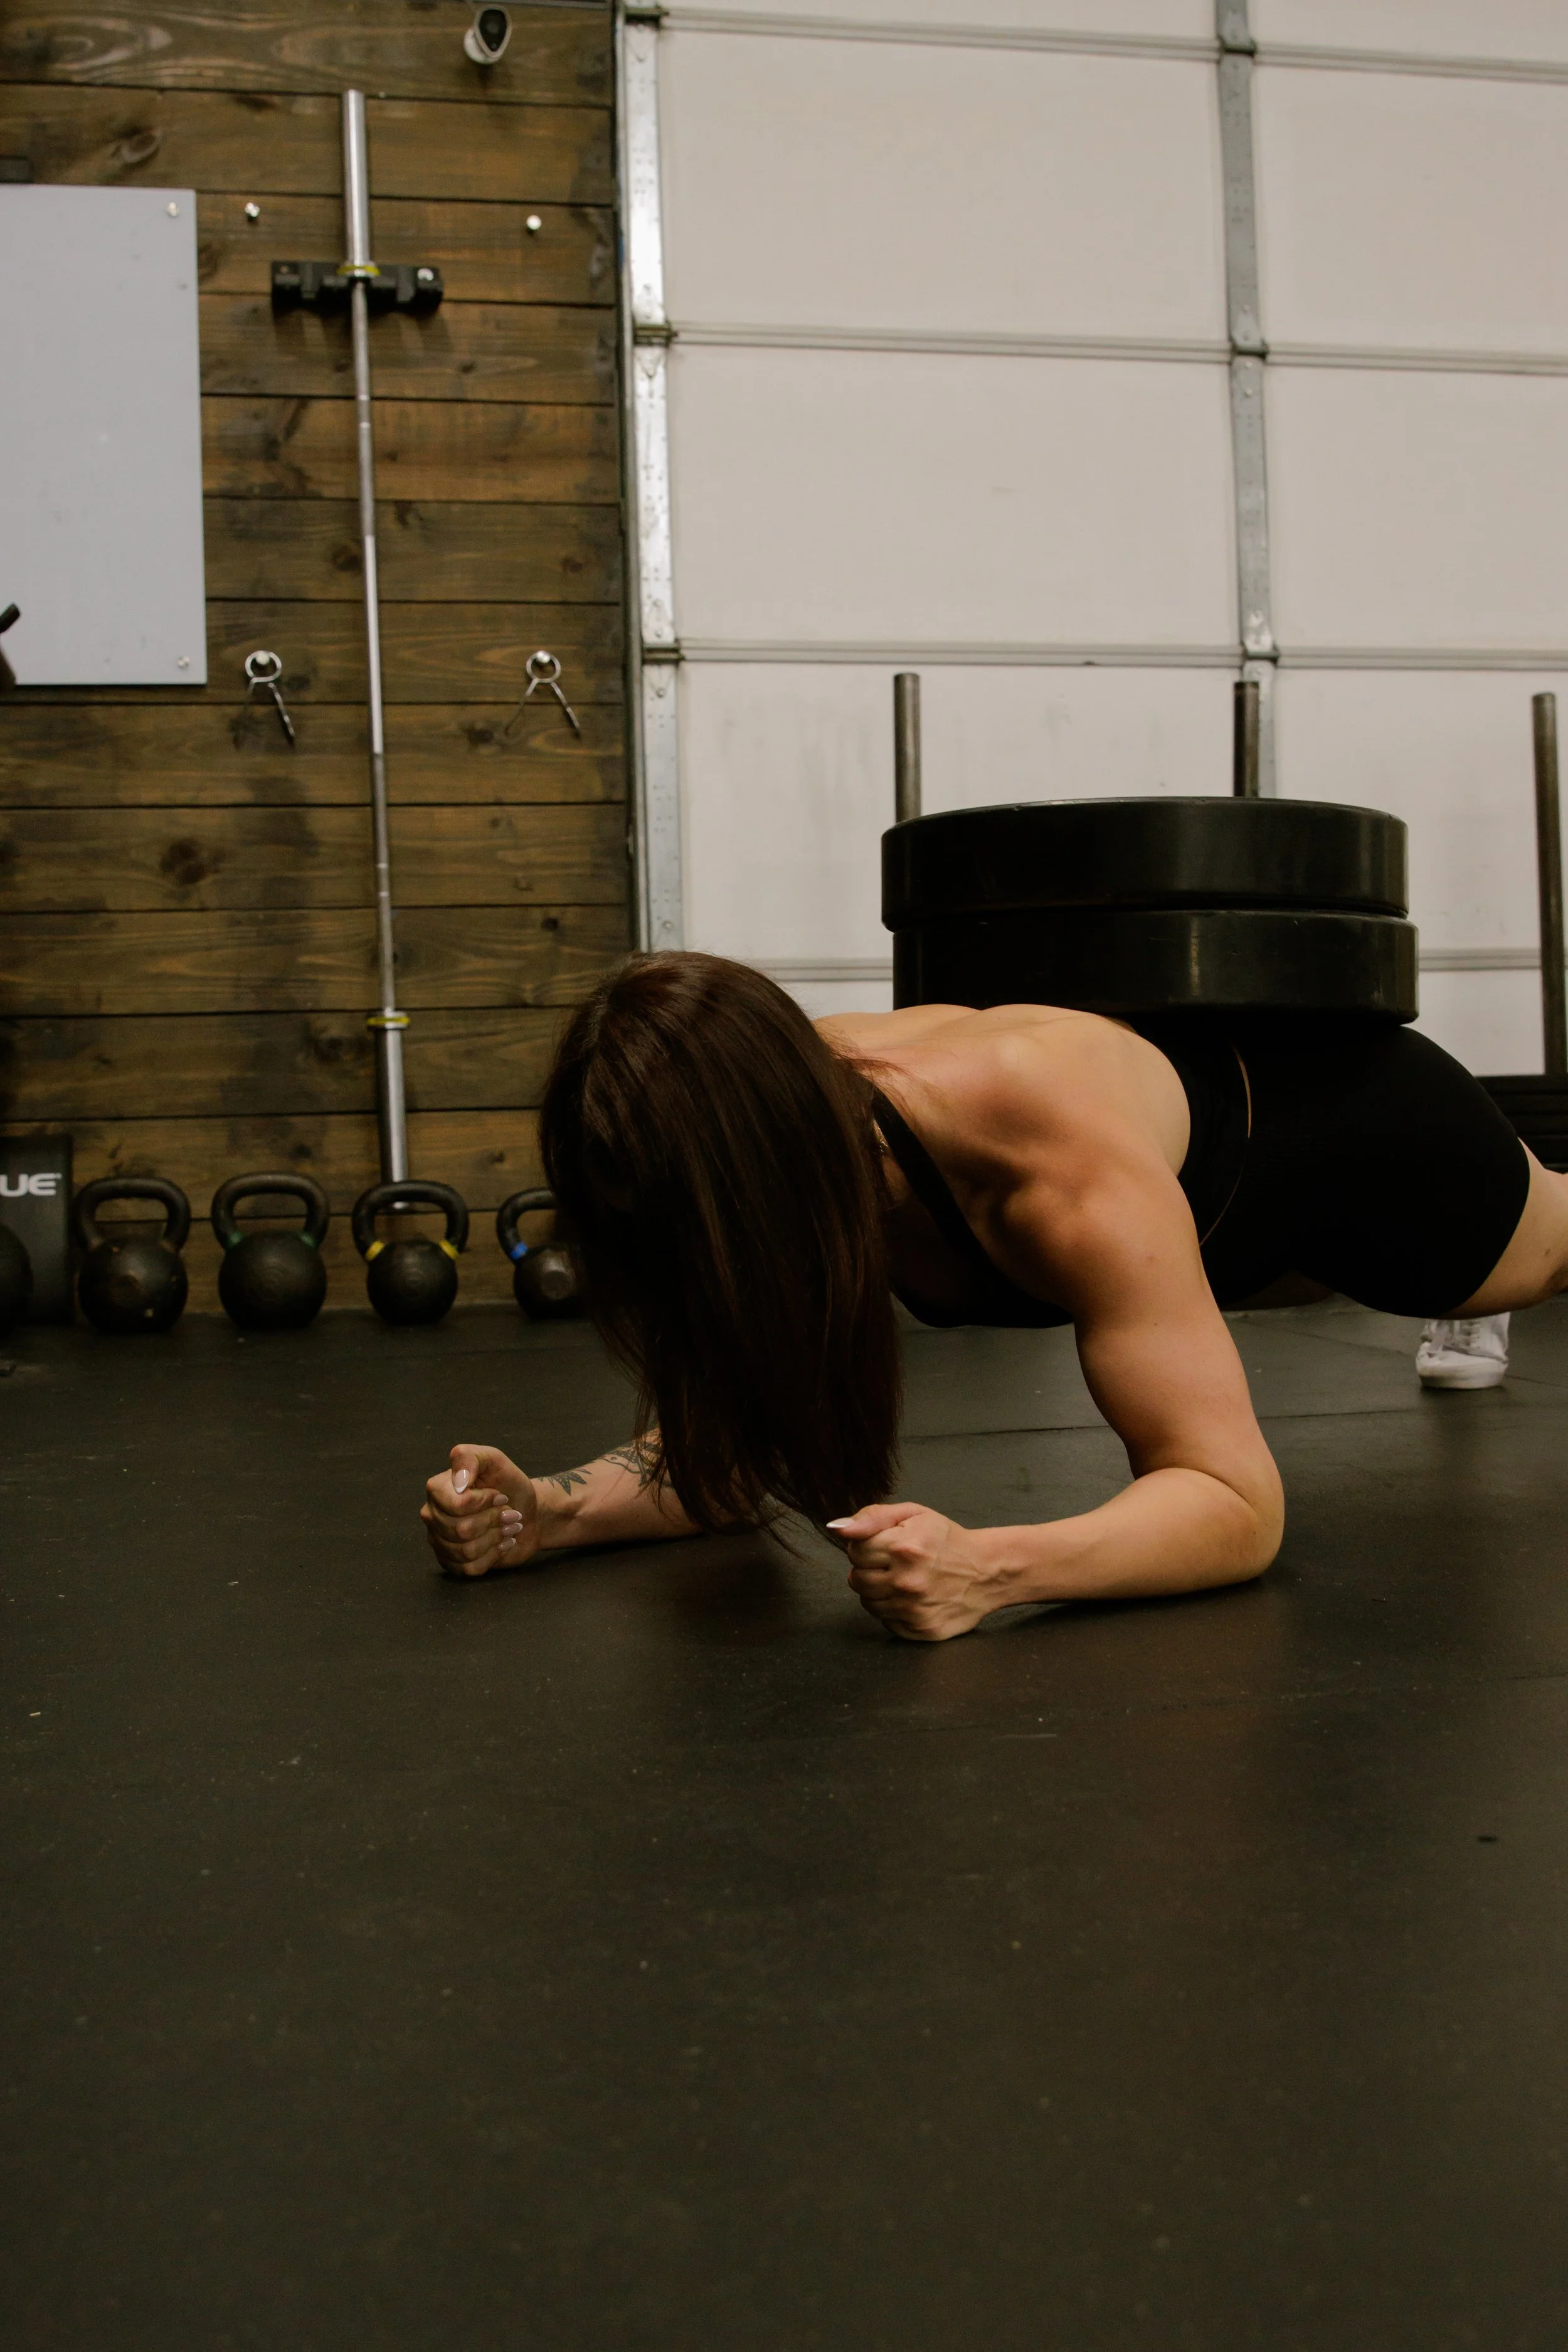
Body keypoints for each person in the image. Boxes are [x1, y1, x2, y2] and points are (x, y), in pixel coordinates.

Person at [421, 953, 1568, 1642]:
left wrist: (992, 1568)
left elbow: (1235, 1501)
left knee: (1545, 1250)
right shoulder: (756, 1137)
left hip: (1349, 1131)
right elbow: (727, 1460)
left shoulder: (1046, 1170)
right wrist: (550, 1512)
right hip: (1174, 1192)